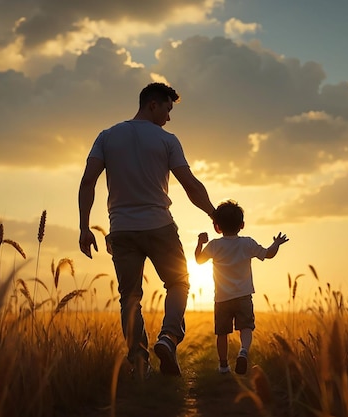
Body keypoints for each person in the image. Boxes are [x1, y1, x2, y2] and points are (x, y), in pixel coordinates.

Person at [78, 82, 216, 378]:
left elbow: (87, 181)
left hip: (122, 230)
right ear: (153, 104)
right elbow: (189, 183)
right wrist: (213, 212)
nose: (169, 117)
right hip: (159, 227)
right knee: (179, 283)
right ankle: (167, 338)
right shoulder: (167, 140)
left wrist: (83, 227)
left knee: (129, 297)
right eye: (167, 109)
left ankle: (139, 362)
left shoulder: (106, 137)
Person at [194, 200, 288, 374]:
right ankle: (243, 351)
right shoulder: (247, 243)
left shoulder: (214, 245)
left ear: (217, 227)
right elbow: (268, 254)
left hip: (222, 298)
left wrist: (200, 242)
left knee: (222, 333)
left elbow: (199, 260)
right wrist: (276, 244)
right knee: (246, 327)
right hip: (244, 296)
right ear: (242, 225)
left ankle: (223, 366)